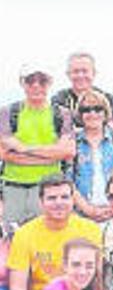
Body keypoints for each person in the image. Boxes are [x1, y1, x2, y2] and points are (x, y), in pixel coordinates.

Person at [8, 175, 102, 290]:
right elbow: (17, 285)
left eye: (64, 197)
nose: (59, 203)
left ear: (73, 200)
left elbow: (95, 277)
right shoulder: (25, 233)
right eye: (52, 198)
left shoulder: (90, 229)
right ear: (41, 202)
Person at [0, 64, 75, 224]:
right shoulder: (7, 113)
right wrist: (50, 156)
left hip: (50, 190)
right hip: (13, 189)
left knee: (48, 239)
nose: (36, 85)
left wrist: (23, 149)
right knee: (12, 240)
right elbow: (4, 154)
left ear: (50, 83)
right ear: (22, 83)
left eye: (42, 81)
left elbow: (67, 152)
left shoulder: (62, 114)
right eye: (30, 81)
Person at [72, 90, 113, 223]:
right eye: (86, 109)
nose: (92, 114)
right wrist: (87, 209)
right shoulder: (72, 142)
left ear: (105, 112)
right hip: (81, 215)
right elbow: (68, 181)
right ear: (80, 114)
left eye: (98, 109)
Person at [51, 52, 113, 136]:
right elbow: (58, 129)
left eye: (85, 71)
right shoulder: (59, 99)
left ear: (94, 73)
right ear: (68, 74)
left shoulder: (109, 99)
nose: (80, 75)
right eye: (76, 71)